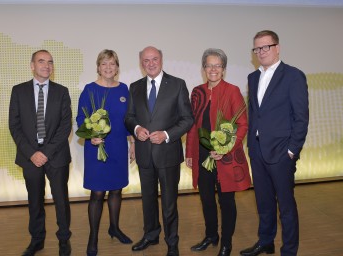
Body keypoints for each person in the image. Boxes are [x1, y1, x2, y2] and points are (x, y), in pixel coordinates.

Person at [240, 30, 309, 256]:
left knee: (286, 207)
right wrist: (251, 145)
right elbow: (255, 113)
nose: (260, 52)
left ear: (277, 47)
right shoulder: (253, 77)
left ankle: (289, 250)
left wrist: (292, 150)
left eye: (265, 47)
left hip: (281, 153)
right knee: (264, 202)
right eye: (257, 48)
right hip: (257, 151)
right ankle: (265, 242)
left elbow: (301, 117)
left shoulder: (293, 76)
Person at [124, 46, 194, 256]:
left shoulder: (177, 84)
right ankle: (151, 235)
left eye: (154, 59)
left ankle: (172, 242)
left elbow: (187, 119)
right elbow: (129, 117)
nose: (151, 63)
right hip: (145, 154)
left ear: (161, 60)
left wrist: (166, 134)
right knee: (147, 200)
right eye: (146, 60)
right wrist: (136, 129)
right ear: (141, 63)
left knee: (169, 203)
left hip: (168, 154)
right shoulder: (134, 87)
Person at [185, 48, 251, 256]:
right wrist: (189, 152)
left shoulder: (232, 91)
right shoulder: (197, 91)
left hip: (224, 157)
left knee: (226, 201)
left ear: (223, 69)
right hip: (202, 155)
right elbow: (192, 126)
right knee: (206, 198)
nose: (213, 69)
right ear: (203, 68)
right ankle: (211, 235)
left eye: (217, 65)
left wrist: (226, 148)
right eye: (209, 65)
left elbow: (242, 125)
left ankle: (226, 242)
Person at [9, 50, 72, 256]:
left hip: (56, 155)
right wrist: (32, 153)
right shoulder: (18, 91)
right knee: (35, 200)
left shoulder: (62, 92)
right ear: (32, 65)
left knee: (61, 200)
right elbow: (14, 126)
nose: (47, 65)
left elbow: (65, 126)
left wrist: (45, 152)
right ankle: (37, 240)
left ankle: (64, 239)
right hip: (30, 157)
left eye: (50, 62)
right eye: (41, 61)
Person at [76, 49, 135, 256]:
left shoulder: (124, 90)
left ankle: (114, 228)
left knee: (117, 190)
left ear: (117, 68)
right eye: (104, 64)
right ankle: (93, 238)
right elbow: (80, 119)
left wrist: (132, 141)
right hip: (96, 147)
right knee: (98, 193)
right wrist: (89, 136)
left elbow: (129, 119)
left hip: (118, 146)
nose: (108, 67)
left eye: (112, 64)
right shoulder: (89, 90)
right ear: (98, 67)